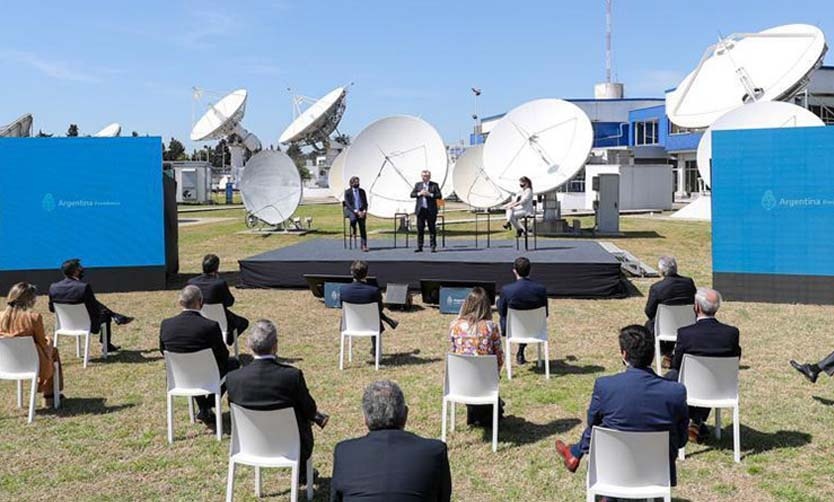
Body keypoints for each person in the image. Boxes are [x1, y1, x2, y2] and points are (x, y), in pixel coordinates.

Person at [555, 325, 688, 486]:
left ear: (624, 354)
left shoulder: (605, 386)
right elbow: (681, 440)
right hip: (658, 469)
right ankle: (575, 454)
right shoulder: (675, 391)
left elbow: (592, 422)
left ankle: (576, 454)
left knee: (603, 423)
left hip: (613, 465)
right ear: (652, 354)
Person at [226, 319, 328, 487]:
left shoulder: (233, 378)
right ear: (275, 346)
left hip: (249, 444)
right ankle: (303, 472)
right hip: (293, 444)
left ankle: (302, 473)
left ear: (249, 345)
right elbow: (310, 409)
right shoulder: (291, 376)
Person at [330, 380, 452, 502]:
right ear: (405, 415)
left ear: (365, 418)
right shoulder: (434, 451)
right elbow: (443, 498)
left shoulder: (345, 452)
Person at [665, 287, 741, 443]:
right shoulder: (731, 333)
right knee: (708, 378)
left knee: (671, 377)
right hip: (721, 388)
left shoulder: (685, 333)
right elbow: (736, 358)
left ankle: (686, 421)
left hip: (693, 387)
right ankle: (697, 420)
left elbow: (677, 365)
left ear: (696, 307)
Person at [159, 285, 238, 426]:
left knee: (191, 370)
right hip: (206, 375)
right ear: (200, 302)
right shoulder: (210, 326)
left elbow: (162, 350)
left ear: (180, 302)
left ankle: (204, 407)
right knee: (234, 364)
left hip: (179, 376)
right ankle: (207, 405)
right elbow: (223, 355)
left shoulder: (166, 325)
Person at [48, 258, 133, 353]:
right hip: (85, 324)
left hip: (65, 324)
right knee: (105, 314)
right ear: (75, 272)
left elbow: (52, 309)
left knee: (101, 309)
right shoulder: (83, 287)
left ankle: (115, 317)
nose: (82, 269)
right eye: (80, 268)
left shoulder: (54, 287)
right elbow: (95, 310)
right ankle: (107, 342)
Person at [0, 282, 64, 405]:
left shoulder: (1, 317)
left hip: (6, 364)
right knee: (53, 350)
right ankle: (49, 394)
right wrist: (49, 341)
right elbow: (42, 343)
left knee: (49, 350)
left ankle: (48, 392)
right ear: (30, 300)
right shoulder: (33, 317)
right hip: (33, 363)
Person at [449, 287, 504, 426]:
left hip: (460, 382)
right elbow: (499, 357)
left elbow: (454, 352)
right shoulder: (491, 327)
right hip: (485, 382)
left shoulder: (454, 326)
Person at [187, 254, 250, 345]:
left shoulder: (192, 282)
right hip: (220, 318)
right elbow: (230, 302)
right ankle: (226, 339)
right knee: (243, 322)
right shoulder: (219, 283)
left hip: (198, 316)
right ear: (217, 268)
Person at [644, 255, 696, 365]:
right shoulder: (689, 283)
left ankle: (656, 356)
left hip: (665, 327)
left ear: (662, 271)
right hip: (689, 323)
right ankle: (668, 356)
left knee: (650, 325)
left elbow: (649, 312)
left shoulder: (657, 288)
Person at [496, 256, 548, 365]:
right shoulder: (540, 289)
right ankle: (520, 350)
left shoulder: (507, 290)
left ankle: (520, 350)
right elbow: (546, 313)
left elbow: (502, 312)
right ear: (530, 270)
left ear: (514, 271)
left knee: (500, 305)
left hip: (513, 329)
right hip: (536, 328)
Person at [339, 261, 397, 356]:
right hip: (371, 324)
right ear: (366, 274)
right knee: (375, 317)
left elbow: (342, 306)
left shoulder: (343, 290)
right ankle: (375, 349)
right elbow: (380, 309)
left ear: (351, 273)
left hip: (349, 324)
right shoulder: (373, 291)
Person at [410, 169, 443, 253]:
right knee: (420, 229)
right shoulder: (418, 185)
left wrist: (430, 194)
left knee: (432, 229)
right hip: (421, 210)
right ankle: (419, 246)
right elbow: (412, 195)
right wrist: (419, 193)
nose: (425, 177)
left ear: (429, 177)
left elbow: (439, 196)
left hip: (430, 210)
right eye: (423, 176)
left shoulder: (434, 185)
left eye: (427, 176)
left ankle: (433, 247)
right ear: (421, 176)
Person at [343, 176, 369, 252]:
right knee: (353, 220)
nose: (357, 183)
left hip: (361, 210)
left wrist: (364, 211)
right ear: (351, 183)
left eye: (358, 182)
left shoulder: (362, 191)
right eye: (355, 182)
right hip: (352, 211)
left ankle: (364, 245)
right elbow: (348, 204)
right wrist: (355, 211)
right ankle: (354, 228)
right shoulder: (347, 192)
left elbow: (365, 203)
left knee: (362, 227)